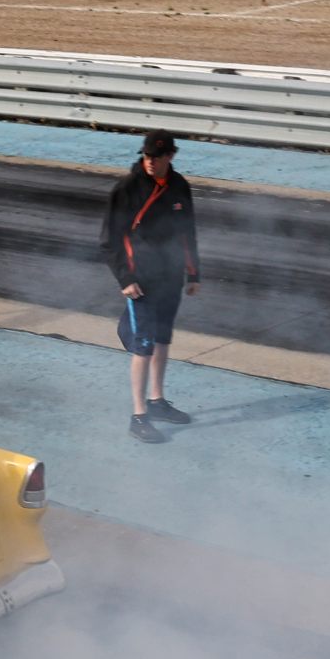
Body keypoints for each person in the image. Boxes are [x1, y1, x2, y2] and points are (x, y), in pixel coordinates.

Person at [100, 131, 200, 445]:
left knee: (162, 339)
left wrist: (193, 273)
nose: (150, 161)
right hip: (140, 281)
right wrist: (125, 279)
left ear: (171, 156)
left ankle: (157, 401)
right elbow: (109, 240)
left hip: (171, 278)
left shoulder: (179, 185)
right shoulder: (127, 188)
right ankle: (139, 416)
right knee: (143, 346)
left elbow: (188, 232)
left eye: (157, 156)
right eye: (146, 156)